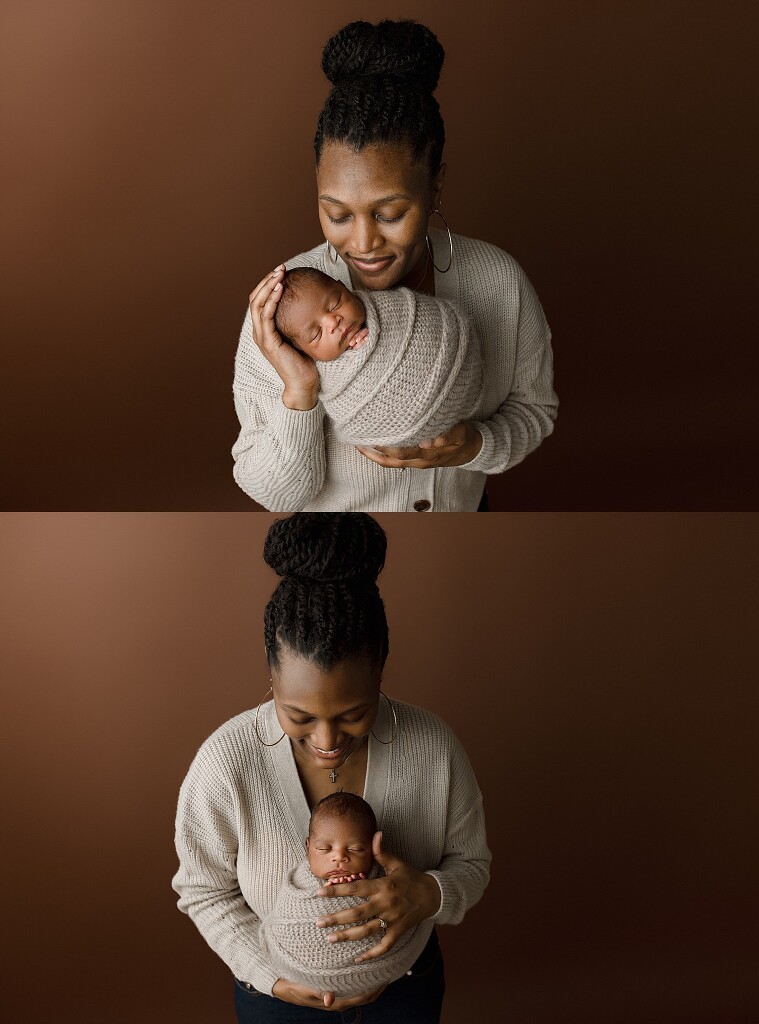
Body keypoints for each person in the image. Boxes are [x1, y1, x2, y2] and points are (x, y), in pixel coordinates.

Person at [172, 513, 491, 1022]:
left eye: (353, 715)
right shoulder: (226, 761)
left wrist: (427, 893)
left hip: (405, 993)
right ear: (271, 676)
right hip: (275, 1000)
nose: (326, 740)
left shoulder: (433, 748)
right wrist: (269, 976)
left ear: (381, 671)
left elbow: (472, 866)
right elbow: (203, 890)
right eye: (298, 716)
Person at [233, 18, 558, 512]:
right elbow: (276, 495)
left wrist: (474, 447)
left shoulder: (496, 281)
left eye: (390, 213)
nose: (362, 242)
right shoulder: (283, 313)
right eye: (337, 214)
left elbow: (534, 411)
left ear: (436, 186)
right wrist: (299, 390)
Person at [273, 266, 483, 448]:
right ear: (304, 352)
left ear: (343, 286)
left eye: (336, 303)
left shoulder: (387, 307)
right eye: (316, 334)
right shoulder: (324, 375)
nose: (333, 321)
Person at [260, 792, 426, 997]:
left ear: (374, 849)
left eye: (355, 849)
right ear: (307, 847)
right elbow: (283, 916)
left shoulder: (383, 881)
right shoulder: (299, 882)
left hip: (396, 987)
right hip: (287, 991)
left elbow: (397, 907)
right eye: (324, 848)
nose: (339, 857)